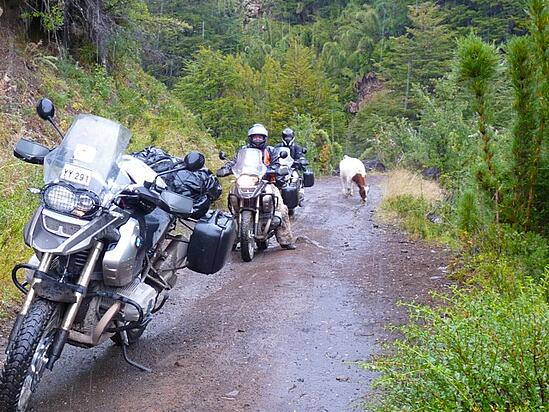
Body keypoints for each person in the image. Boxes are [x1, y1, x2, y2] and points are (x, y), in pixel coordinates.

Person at [217, 124, 296, 250]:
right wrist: (226, 168)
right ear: (250, 138)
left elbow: (276, 164)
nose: (258, 140)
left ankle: (286, 240)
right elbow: (234, 162)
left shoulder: (270, 150)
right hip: (245, 181)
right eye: (255, 137)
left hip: (266, 182)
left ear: (264, 138)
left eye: (260, 137)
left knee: (281, 208)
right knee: (232, 204)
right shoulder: (243, 150)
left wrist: (274, 170)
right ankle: (231, 240)